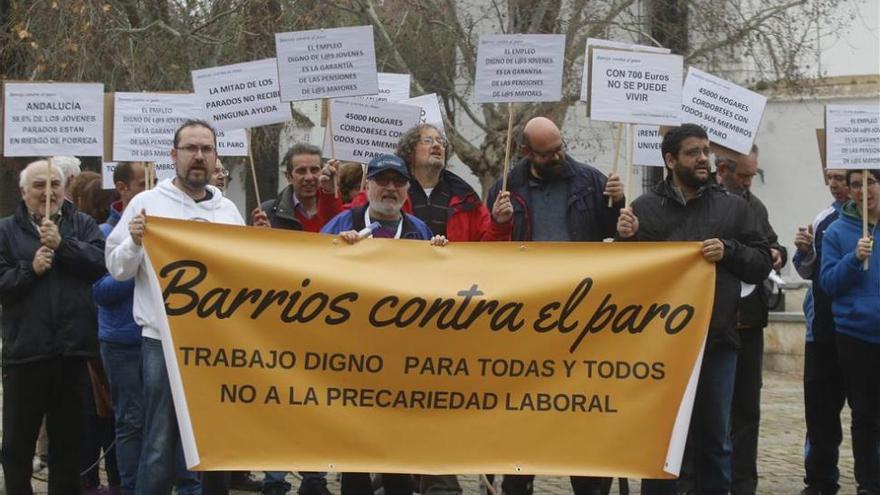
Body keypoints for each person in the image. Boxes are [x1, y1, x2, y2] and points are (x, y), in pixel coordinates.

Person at [617, 124, 771, 495]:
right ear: (670, 160)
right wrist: (627, 240)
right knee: (661, 441)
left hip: (717, 340)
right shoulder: (644, 209)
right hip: (660, 347)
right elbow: (632, 277)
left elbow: (762, 261)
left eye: (705, 150)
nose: (703, 158)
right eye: (692, 152)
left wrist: (730, 251)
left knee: (717, 440)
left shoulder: (732, 208)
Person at [485, 116, 623, 495]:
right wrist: (498, 224)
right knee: (523, 410)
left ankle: (590, 485)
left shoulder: (592, 181)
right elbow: (488, 250)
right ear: (528, 152)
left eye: (560, 146)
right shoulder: (505, 188)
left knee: (584, 407)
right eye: (548, 152)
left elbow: (616, 238)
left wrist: (619, 203)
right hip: (524, 319)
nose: (559, 154)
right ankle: (518, 481)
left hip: (582, 317)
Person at [106, 120, 245, 495]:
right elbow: (117, 269)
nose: (198, 156)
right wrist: (135, 241)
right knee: (160, 440)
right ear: (173, 155)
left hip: (217, 343)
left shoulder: (229, 210)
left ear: (216, 157)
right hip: (162, 342)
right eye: (190, 149)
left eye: (206, 149)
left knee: (214, 439)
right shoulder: (146, 203)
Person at [321, 153, 446, 495]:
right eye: (382, 180)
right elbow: (311, 273)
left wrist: (442, 256)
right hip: (352, 353)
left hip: (401, 357)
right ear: (367, 186)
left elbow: (437, 288)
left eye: (398, 182)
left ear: (407, 189)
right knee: (354, 448)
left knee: (398, 447)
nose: (390, 188)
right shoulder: (341, 225)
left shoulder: (420, 231)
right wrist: (336, 251)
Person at [0, 159, 106, 494]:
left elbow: (99, 265)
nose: (48, 192)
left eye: (54, 185)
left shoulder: (83, 224)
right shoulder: (5, 231)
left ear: (65, 188)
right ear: (23, 191)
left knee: (68, 445)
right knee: (18, 444)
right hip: (26, 352)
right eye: (39, 185)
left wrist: (63, 246)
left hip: (71, 351)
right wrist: (30, 270)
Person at [715, 145, 788, 495]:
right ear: (722, 170)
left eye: (751, 175)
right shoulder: (709, 202)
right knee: (715, 410)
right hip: (716, 320)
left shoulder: (754, 205)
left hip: (751, 320)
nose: (747, 182)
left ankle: (744, 483)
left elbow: (771, 243)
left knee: (747, 408)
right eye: (742, 175)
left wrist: (776, 253)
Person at [819, 169, 880, 495]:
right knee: (865, 415)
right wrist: (854, 258)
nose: (863, 190)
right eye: (856, 184)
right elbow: (828, 282)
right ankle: (868, 485)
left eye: (871, 182)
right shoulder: (837, 231)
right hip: (856, 336)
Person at [794, 168, 851, 495]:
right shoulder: (823, 220)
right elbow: (807, 271)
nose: (835, 184)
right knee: (820, 416)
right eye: (830, 177)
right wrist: (804, 251)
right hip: (823, 332)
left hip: (863, 334)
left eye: (843, 178)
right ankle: (819, 481)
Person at [69, 171, 123, 495]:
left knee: (105, 416)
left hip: (98, 335)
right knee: (101, 415)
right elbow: (99, 289)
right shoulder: (102, 237)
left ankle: (105, 480)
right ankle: (97, 480)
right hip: (98, 338)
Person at [259, 143, 341, 232]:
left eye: (314, 170)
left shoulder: (339, 205)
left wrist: (331, 194)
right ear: (289, 176)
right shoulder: (268, 213)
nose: (309, 177)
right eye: (301, 171)